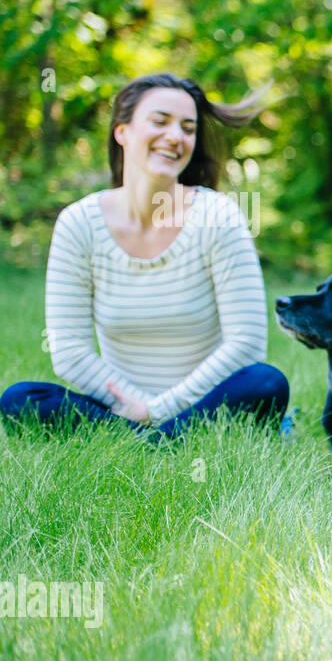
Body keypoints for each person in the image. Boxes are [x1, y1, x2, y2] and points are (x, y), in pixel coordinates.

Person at [0, 72, 289, 440]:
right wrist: (136, 406)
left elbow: (246, 345)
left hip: (203, 403)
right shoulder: (79, 223)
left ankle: (141, 439)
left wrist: (156, 411)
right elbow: (69, 349)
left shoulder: (218, 217)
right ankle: (159, 441)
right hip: (120, 406)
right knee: (21, 399)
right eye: (160, 121)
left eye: (188, 128)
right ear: (122, 131)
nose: (176, 137)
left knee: (265, 382)